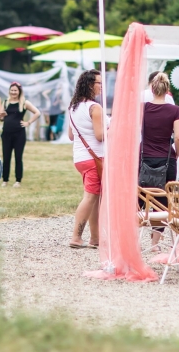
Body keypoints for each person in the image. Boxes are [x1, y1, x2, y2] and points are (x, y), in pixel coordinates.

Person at [140, 72, 179, 246]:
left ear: (152, 88)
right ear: (167, 90)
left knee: (141, 196)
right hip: (166, 159)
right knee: (163, 200)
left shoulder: (142, 108)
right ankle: (155, 244)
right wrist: (176, 152)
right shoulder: (174, 110)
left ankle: (133, 239)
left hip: (144, 157)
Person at [67, 69, 104, 249]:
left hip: (80, 157)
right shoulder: (94, 108)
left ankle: (95, 239)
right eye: (99, 83)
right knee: (90, 198)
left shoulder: (73, 107)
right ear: (90, 85)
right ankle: (76, 236)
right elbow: (99, 136)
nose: (101, 87)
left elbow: (71, 135)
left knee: (94, 199)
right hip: (94, 158)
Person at [0, 83, 40, 187]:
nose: (13, 92)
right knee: (6, 157)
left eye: (15, 90)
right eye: (12, 90)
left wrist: (28, 122)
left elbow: (37, 112)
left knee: (18, 157)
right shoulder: (5, 102)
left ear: (19, 92)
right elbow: (1, 118)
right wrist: (0, 116)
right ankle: (5, 180)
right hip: (6, 133)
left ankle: (18, 180)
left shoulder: (24, 103)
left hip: (19, 134)